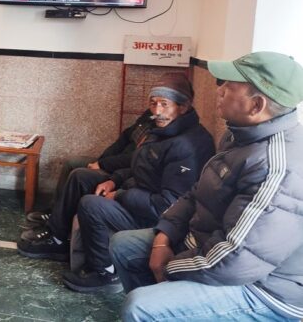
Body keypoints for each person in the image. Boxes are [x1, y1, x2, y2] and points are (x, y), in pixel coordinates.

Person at [110, 52, 303, 321]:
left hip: (263, 288)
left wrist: (168, 266)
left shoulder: (275, 166)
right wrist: (163, 238)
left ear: (256, 105)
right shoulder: (240, 136)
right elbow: (196, 192)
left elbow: (235, 259)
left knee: (140, 306)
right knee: (123, 245)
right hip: (208, 246)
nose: (219, 91)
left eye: (229, 87)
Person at [18, 73, 215, 294]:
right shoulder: (163, 130)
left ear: (183, 106)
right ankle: (57, 240)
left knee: (91, 204)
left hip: (155, 217)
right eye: (153, 103)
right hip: (138, 194)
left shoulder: (187, 145)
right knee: (81, 176)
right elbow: (140, 165)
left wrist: (120, 195)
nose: (157, 111)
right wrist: (114, 180)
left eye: (164, 104)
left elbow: (166, 205)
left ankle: (105, 272)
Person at [26, 108, 154, 226]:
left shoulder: (160, 133)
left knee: (78, 174)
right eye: (153, 102)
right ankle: (54, 211)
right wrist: (101, 160)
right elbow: (124, 138)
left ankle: (57, 224)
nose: (157, 108)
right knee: (71, 162)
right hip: (111, 162)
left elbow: (134, 159)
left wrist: (103, 164)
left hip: (121, 171)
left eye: (162, 103)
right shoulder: (148, 115)